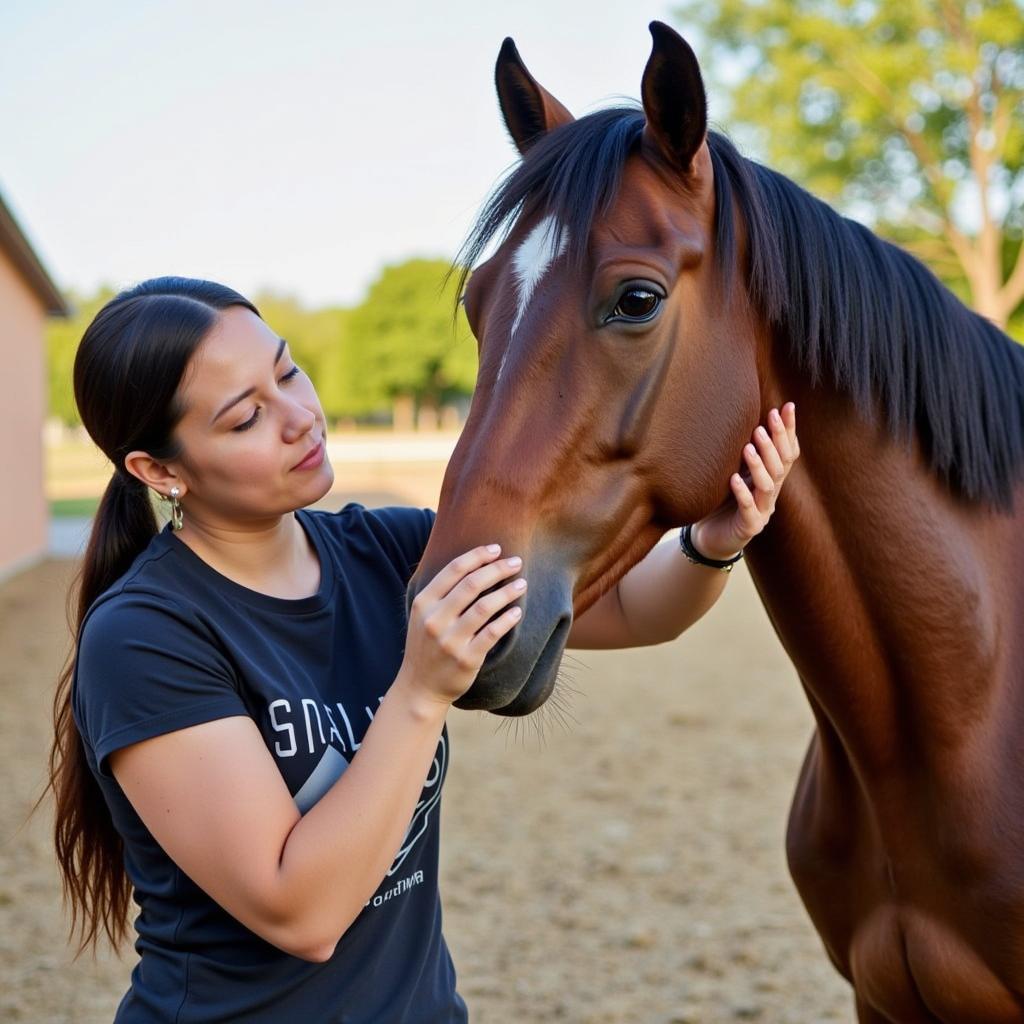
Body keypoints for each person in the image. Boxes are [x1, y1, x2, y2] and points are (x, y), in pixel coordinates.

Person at [49, 276, 800, 1023]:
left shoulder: (389, 550)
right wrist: (418, 692)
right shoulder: (145, 637)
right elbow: (300, 913)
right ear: (159, 471)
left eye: (286, 371)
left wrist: (712, 543)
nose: (300, 418)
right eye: (246, 418)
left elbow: (636, 610)